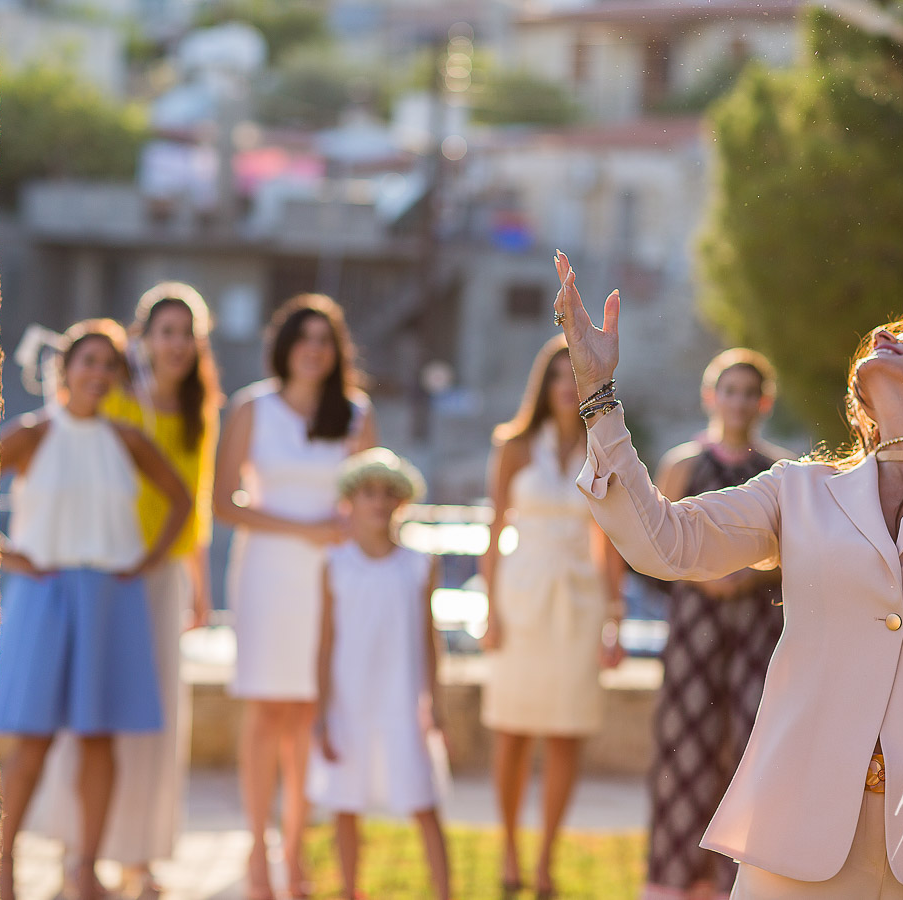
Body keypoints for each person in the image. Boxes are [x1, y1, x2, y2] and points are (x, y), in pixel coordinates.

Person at [552, 206, 903, 898]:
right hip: (795, 844)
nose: (883, 332)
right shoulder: (800, 492)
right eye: (884, 334)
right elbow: (662, 542)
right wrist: (597, 397)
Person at [29, 283, 223, 898]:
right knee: (89, 717)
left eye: (186, 334)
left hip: (158, 577)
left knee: (152, 721)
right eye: (165, 331)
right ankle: (75, 852)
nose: (176, 344)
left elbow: (194, 510)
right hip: (105, 577)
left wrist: (198, 586)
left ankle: (138, 855)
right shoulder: (118, 403)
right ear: (143, 339)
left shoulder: (200, 412)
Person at [0, 319, 191, 900]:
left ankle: (86, 868)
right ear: (65, 368)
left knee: (99, 738)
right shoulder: (32, 433)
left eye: (110, 364)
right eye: (89, 362)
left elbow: (181, 500)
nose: (99, 374)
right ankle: (2, 867)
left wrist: (148, 560)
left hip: (110, 596)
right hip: (45, 592)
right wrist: (5, 553)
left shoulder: (127, 440)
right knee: (31, 742)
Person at [214, 294, 378, 900]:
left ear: (337, 351)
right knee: (265, 714)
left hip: (331, 583)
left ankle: (296, 850)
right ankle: (257, 850)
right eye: (304, 337)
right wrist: (301, 528)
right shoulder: (252, 407)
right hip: (266, 576)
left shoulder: (357, 415)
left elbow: (373, 500)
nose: (314, 348)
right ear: (285, 345)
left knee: (309, 715)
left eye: (325, 338)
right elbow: (221, 502)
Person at [479, 334, 626, 896]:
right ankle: (510, 852)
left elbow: (610, 542)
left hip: (580, 604)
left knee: (566, 734)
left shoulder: (604, 450)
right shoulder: (514, 446)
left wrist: (613, 621)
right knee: (511, 731)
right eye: (558, 376)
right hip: (521, 599)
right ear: (544, 385)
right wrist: (489, 612)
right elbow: (494, 531)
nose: (567, 387)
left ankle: (546, 861)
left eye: (577, 377)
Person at [645, 349, 795, 900]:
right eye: (727, 390)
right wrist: (707, 578)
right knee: (685, 745)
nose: (738, 401)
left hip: (759, 627)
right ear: (712, 397)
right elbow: (658, 548)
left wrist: (747, 577)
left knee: (751, 744)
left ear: (764, 401)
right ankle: (672, 881)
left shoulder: (779, 470)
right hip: (694, 624)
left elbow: (790, 555)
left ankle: (742, 882)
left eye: (748, 391)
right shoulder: (683, 464)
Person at [308, 448, 452, 900]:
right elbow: (326, 643)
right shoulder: (334, 564)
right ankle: (351, 888)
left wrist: (435, 701)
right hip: (350, 703)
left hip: (401, 701)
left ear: (401, 502)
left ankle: (444, 891)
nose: (377, 501)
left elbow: (430, 639)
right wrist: (321, 712)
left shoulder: (419, 564)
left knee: (423, 802)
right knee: (346, 804)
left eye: (387, 493)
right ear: (350, 499)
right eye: (368, 492)